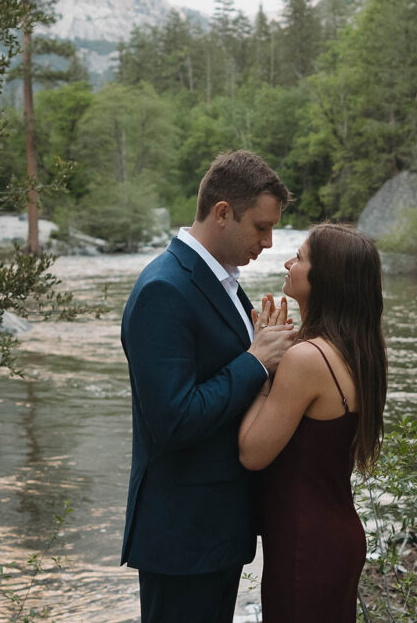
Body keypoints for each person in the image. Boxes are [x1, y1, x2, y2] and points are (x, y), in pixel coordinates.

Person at [119, 150, 296, 623]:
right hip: (182, 536)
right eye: (260, 227)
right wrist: (256, 362)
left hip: (215, 529)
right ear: (222, 213)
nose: (269, 241)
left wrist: (271, 358)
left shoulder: (225, 283)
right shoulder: (165, 289)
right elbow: (174, 420)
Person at [238, 223, 388, 622]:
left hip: (306, 543)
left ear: (326, 279)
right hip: (333, 534)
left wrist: (262, 362)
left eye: (300, 258)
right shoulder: (358, 349)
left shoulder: (305, 359)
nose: (289, 262)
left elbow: (252, 453)